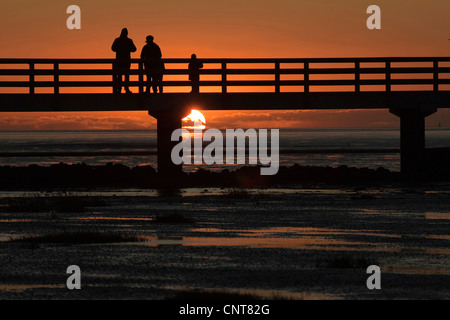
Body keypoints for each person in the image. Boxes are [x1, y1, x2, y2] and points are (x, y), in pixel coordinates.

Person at [112, 28, 137, 94]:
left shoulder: (117, 40)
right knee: (127, 75)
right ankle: (126, 89)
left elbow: (113, 48)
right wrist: (127, 49)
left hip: (119, 59)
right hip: (127, 60)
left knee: (119, 75)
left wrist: (119, 49)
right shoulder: (129, 41)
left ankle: (119, 89)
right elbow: (134, 49)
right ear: (127, 33)